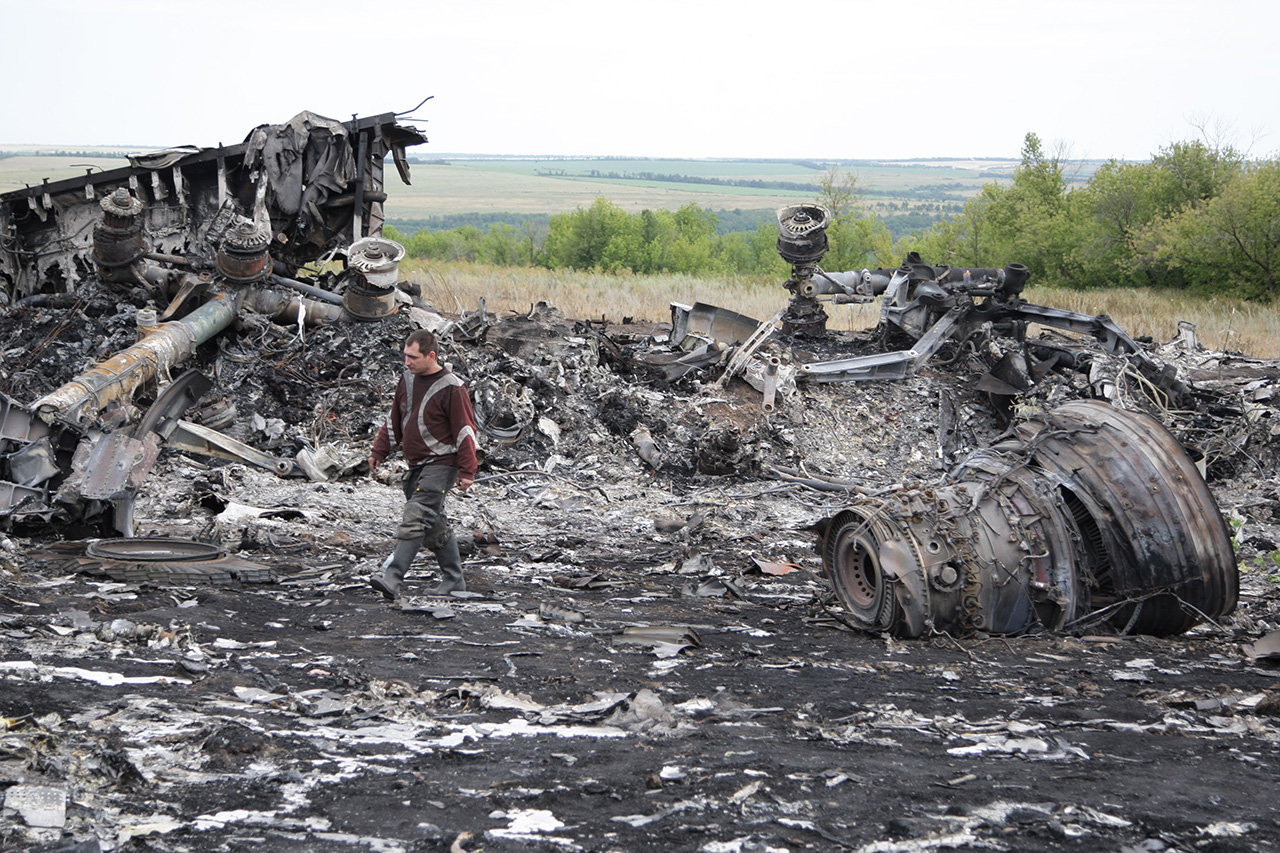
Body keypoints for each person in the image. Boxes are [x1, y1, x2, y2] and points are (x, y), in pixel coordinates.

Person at [368, 329, 478, 598]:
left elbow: (465, 430)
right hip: (416, 465)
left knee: (416, 517)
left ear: (431, 356)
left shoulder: (453, 387)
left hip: (442, 465)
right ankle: (454, 580)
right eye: (405, 356)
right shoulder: (407, 380)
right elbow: (395, 420)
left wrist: (467, 469)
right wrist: (379, 450)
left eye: (412, 357)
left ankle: (392, 577)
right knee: (433, 522)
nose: (407, 362)